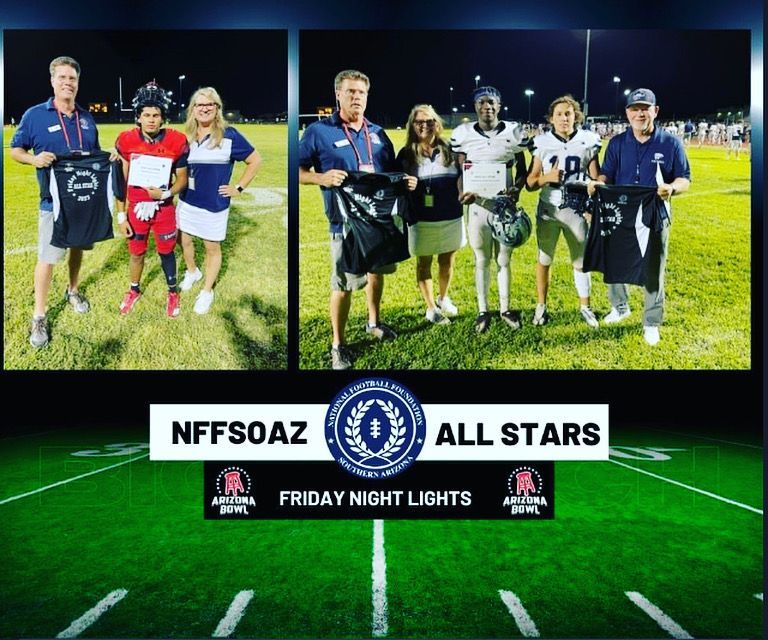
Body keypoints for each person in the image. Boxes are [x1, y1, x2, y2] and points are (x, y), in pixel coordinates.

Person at [298, 69, 416, 370]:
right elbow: (296, 171)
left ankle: (373, 322)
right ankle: (338, 344)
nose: (356, 98)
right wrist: (320, 177)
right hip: (345, 223)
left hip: (378, 221)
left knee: (377, 274)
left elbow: (390, 173)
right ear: (338, 94)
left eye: (361, 93)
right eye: (350, 92)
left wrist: (406, 180)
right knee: (343, 284)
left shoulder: (377, 133)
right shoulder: (318, 131)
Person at [587, 88, 691, 346]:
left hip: (655, 211)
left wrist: (672, 188)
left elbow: (684, 178)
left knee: (653, 267)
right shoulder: (617, 143)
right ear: (627, 113)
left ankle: (651, 322)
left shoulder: (671, 143)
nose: (640, 113)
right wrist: (597, 183)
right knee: (615, 260)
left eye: (645, 108)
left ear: (655, 111)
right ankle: (620, 307)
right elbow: (606, 174)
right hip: (622, 210)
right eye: (635, 109)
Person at [10, 56, 100, 348]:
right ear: (52, 81)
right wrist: (34, 158)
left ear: (77, 83)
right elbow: (15, 150)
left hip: (82, 199)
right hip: (52, 202)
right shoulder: (35, 115)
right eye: (62, 77)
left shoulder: (87, 118)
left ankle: (72, 290)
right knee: (48, 257)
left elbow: (95, 156)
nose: (67, 83)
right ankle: (39, 315)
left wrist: (108, 159)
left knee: (78, 247)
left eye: (72, 78)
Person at [450, 86, 529, 334]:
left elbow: (522, 170)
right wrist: (462, 192)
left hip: (504, 207)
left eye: (492, 102)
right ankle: (483, 309)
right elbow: (459, 170)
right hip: (477, 207)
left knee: (503, 260)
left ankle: (505, 307)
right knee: (482, 259)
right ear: (475, 106)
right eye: (483, 102)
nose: (488, 107)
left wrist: (516, 189)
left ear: (499, 105)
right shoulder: (463, 134)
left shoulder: (513, 131)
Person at [176, 87, 262, 314]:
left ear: (217, 109)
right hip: (187, 201)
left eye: (209, 104)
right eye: (199, 104)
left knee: (211, 247)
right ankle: (193, 271)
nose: (204, 108)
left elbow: (255, 160)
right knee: (183, 240)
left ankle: (207, 291)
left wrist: (238, 187)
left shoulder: (229, 135)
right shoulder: (188, 139)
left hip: (214, 204)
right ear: (193, 110)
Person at [526, 95, 601, 328]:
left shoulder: (588, 140)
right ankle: (541, 305)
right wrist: (546, 177)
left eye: (568, 113)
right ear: (551, 118)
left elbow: (596, 177)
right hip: (549, 208)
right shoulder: (542, 142)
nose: (564, 118)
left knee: (580, 261)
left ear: (576, 116)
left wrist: (592, 199)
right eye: (559, 114)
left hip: (577, 208)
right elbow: (529, 182)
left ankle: (585, 306)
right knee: (545, 258)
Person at [115, 82, 189, 318]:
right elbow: (122, 181)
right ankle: (134, 289)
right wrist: (121, 214)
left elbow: (182, 178)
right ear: (138, 117)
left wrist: (166, 194)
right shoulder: (126, 141)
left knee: (166, 251)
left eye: (156, 115)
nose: (151, 120)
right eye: (146, 115)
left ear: (162, 117)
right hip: (136, 209)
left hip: (163, 207)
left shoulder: (176, 141)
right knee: (136, 252)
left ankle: (172, 290)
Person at [397, 104, 464, 326]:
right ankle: (431, 308)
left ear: (437, 123)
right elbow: (394, 185)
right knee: (423, 263)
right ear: (412, 126)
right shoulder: (406, 155)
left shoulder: (451, 149)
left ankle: (443, 298)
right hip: (421, 220)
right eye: (419, 122)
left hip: (451, 216)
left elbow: (465, 176)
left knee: (447, 261)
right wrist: (406, 184)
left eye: (429, 121)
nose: (425, 126)